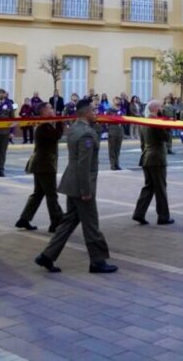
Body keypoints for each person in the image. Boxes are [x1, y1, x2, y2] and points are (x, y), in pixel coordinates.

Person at [34, 98, 117, 274]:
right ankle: (97, 261)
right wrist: (86, 190)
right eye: (93, 111)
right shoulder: (86, 134)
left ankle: (47, 256)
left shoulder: (74, 129)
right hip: (81, 185)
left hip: (71, 182)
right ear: (86, 113)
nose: (96, 113)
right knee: (91, 223)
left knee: (68, 222)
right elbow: (84, 164)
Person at [17, 102, 65, 231]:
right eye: (50, 108)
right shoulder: (43, 126)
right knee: (51, 193)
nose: (53, 110)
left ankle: (24, 219)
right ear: (44, 112)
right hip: (44, 165)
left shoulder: (45, 125)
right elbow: (56, 136)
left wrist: (57, 122)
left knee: (38, 193)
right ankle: (56, 221)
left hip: (41, 164)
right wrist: (60, 123)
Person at [132, 99, 173, 226]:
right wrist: (168, 126)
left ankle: (139, 213)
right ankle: (163, 217)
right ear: (156, 109)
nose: (162, 109)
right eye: (161, 107)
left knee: (149, 187)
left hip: (146, 157)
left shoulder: (144, 122)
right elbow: (166, 138)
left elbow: (142, 143)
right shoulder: (156, 122)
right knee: (160, 189)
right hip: (157, 159)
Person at [107, 97, 125, 171]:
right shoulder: (110, 110)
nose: (118, 101)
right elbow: (108, 119)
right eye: (116, 100)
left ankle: (117, 164)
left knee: (117, 149)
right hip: (112, 130)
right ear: (113, 101)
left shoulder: (122, 110)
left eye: (119, 100)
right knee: (112, 149)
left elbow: (124, 119)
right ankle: (112, 164)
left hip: (120, 130)